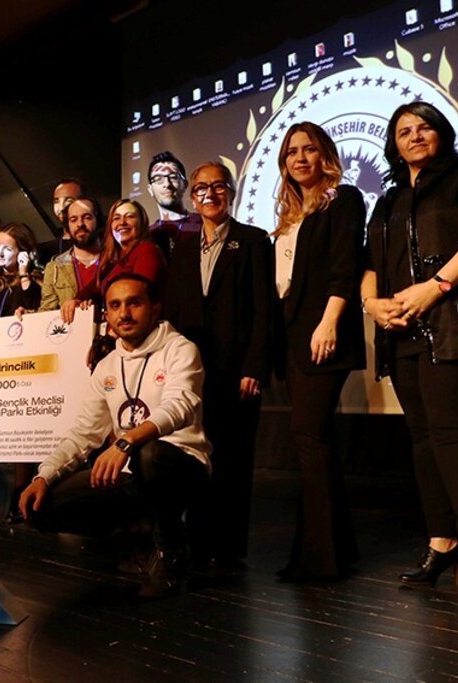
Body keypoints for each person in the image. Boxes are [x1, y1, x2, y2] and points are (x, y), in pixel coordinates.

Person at [361, 101, 458, 611]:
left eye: (424, 126)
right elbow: (369, 266)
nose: (415, 135)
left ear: (442, 132)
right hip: (403, 331)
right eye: (404, 130)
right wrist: (372, 304)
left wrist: (436, 286)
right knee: (423, 439)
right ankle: (442, 544)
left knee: (451, 435)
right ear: (394, 144)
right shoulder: (388, 200)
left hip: (457, 323)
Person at [19, 274, 212, 597]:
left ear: (154, 308)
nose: (124, 313)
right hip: (132, 473)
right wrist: (44, 475)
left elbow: (180, 406)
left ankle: (172, 550)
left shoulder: (180, 349)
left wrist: (127, 440)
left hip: (180, 465)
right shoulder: (107, 365)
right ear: (106, 315)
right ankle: (137, 537)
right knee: (40, 506)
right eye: (115, 305)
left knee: (150, 455)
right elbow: (84, 432)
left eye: (134, 303)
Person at [163, 161, 273, 567]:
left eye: (218, 186)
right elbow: (174, 311)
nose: (210, 194)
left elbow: (264, 311)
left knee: (233, 460)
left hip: (237, 371)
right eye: (201, 188)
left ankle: (228, 550)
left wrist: (254, 367)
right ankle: (198, 543)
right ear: (192, 197)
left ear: (231, 191)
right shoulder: (183, 247)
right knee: (197, 458)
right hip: (193, 372)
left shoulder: (253, 240)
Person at [271, 123, 365, 580]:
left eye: (309, 149)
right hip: (293, 337)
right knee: (313, 439)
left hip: (323, 332)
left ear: (324, 154)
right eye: (292, 152)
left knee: (308, 435)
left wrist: (329, 323)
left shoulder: (342, 200)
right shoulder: (290, 215)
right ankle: (331, 552)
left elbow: (345, 266)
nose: (300, 158)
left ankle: (322, 558)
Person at [38, 197, 103, 324]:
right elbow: (46, 312)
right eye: (73, 219)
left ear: (98, 221)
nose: (80, 224)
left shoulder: (114, 260)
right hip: (73, 333)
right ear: (67, 226)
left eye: (87, 217)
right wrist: (26, 316)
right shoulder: (55, 267)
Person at [98, 199, 167, 298]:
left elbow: (137, 293)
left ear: (142, 222)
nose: (122, 222)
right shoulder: (112, 257)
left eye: (130, 216)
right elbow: (92, 289)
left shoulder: (147, 250)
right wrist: (79, 299)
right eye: (116, 218)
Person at [0, 223, 42, 319]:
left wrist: (23, 273)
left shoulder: (33, 281)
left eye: (8, 249)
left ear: (23, 253)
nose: (0, 253)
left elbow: (34, 309)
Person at [146, 151, 202, 258]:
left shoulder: (203, 224)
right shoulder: (147, 235)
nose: (167, 184)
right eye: (158, 179)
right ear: (150, 189)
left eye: (173, 177)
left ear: (185, 184)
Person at [37, 178, 85, 266]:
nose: (61, 207)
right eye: (57, 201)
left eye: (69, 200)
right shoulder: (47, 251)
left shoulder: (96, 241)